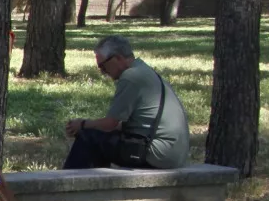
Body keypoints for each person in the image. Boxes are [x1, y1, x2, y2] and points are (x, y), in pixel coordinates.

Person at [64, 34, 189, 170]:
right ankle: (95, 181)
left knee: (88, 137)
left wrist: (82, 124)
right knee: (101, 140)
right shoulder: (143, 70)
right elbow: (130, 124)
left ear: (117, 58)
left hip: (158, 154)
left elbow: (110, 124)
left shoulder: (130, 76)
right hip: (173, 153)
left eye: (103, 66)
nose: (102, 72)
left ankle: (67, 181)